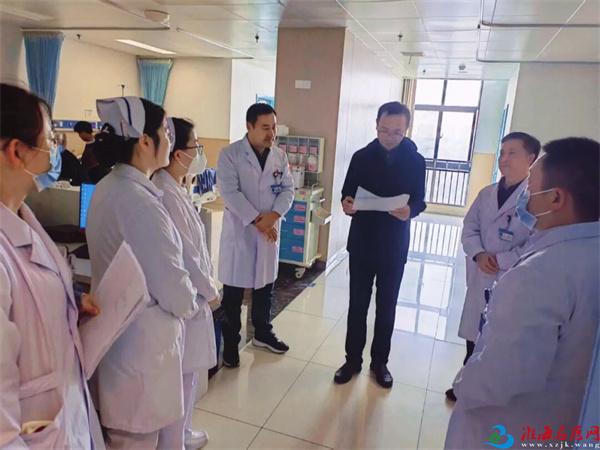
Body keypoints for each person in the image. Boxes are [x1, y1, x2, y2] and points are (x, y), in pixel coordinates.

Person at [444, 137, 600, 449]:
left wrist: (463, 383)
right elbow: (470, 228)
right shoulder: (587, 251)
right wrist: (479, 253)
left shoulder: (538, 275)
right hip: (559, 421)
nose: (526, 196)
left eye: (532, 186)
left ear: (555, 198)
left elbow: (498, 378)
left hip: (509, 428)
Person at [86, 96, 199, 449]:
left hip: (125, 343)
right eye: (165, 130)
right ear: (145, 141)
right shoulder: (140, 203)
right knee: (137, 439)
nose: (170, 137)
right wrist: (192, 302)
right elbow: (172, 286)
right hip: (141, 351)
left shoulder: (110, 187)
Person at [0, 83, 104, 449]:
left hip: (60, 417)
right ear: (17, 151)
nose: (54, 152)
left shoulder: (22, 219)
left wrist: (69, 303)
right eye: (49, 141)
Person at [335, 101, 426, 389]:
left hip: (393, 244)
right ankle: (352, 360)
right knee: (357, 306)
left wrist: (410, 210)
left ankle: (380, 363)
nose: (389, 137)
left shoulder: (416, 161)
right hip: (362, 241)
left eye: (397, 132)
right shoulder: (361, 157)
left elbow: (420, 200)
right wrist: (347, 204)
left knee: (387, 307)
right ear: (376, 125)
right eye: (384, 130)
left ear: (406, 129)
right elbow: (347, 192)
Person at [445, 132, 541, 402]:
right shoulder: (486, 194)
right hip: (481, 272)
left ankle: (488, 390)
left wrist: (502, 260)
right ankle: (465, 384)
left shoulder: (536, 200)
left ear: (531, 159)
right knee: (474, 334)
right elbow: (469, 227)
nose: (504, 159)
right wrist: (478, 253)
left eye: (512, 153)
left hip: (511, 277)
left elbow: (537, 242)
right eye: (502, 153)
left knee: (499, 338)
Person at [152, 118, 218, 449]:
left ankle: (183, 432)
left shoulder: (175, 187)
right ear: (178, 154)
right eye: (195, 146)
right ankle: (175, 440)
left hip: (193, 295)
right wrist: (210, 290)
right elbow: (187, 253)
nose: (199, 153)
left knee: (188, 374)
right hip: (186, 298)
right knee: (180, 377)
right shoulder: (164, 192)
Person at [217, 103, 294, 368]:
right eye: (264, 128)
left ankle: (262, 332)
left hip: (268, 231)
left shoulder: (279, 156)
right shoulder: (230, 155)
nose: (271, 133)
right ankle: (230, 344)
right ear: (249, 126)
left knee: (265, 286)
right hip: (241, 232)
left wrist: (274, 215)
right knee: (233, 295)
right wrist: (258, 220)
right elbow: (230, 193)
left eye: (273, 127)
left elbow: (288, 190)